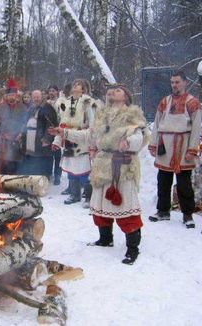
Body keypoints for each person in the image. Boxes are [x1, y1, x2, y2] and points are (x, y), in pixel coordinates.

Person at [49, 85, 150, 265]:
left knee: (125, 205)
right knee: (100, 204)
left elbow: (140, 135)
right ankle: (105, 239)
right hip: (103, 163)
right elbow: (89, 136)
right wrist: (64, 132)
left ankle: (132, 248)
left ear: (126, 96)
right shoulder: (102, 115)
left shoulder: (132, 114)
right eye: (111, 91)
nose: (113, 92)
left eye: (119, 90)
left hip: (122, 165)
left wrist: (129, 142)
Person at [148, 71, 202, 228]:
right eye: (172, 82)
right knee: (163, 180)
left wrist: (192, 149)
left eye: (177, 82)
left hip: (182, 144)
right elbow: (157, 123)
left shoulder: (193, 103)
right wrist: (153, 143)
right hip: (165, 144)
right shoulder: (165, 101)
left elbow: (196, 128)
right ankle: (163, 211)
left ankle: (187, 214)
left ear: (185, 82)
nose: (174, 85)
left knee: (184, 182)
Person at [52, 79, 102, 205]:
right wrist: (57, 141)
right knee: (71, 168)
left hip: (82, 139)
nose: (75, 86)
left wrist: (92, 141)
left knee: (84, 169)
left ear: (84, 88)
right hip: (69, 139)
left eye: (78, 84)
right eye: (74, 84)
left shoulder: (88, 102)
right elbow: (62, 123)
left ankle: (88, 195)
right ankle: (74, 194)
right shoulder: (67, 102)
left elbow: (93, 123)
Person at [0, 79, 27, 174]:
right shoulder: (1, 107)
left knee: (14, 166)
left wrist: (21, 134)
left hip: (15, 141)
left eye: (13, 95)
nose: (11, 97)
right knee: (2, 164)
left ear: (16, 95)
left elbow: (25, 123)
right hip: (3, 141)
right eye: (9, 95)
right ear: (6, 96)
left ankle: (13, 186)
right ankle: (2, 185)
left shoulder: (23, 108)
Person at [21, 89, 58, 179]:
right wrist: (22, 134)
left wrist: (47, 138)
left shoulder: (47, 108)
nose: (36, 99)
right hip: (30, 136)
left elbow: (51, 124)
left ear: (41, 97)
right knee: (32, 157)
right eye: (34, 97)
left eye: (37, 97)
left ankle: (45, 177)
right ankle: (34, 176)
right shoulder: (31, 107)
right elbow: (25, 122)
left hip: (41, 138)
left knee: (43, 158)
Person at [47, 85, 62, 185]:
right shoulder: (46, 103)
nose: (51, 93)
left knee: (57, 155)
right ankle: (48, 174)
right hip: (48, 132)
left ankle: (57, 175)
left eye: (53, 91)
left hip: (57, 131)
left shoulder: (61, 103)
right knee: (48, 155)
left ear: (57, 92)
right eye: (50, 91)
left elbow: (63, 116)